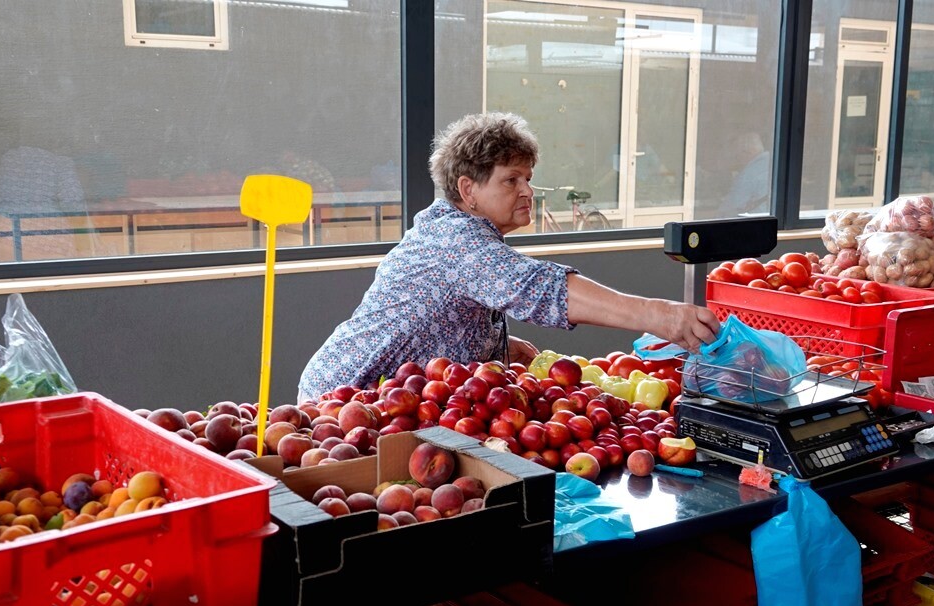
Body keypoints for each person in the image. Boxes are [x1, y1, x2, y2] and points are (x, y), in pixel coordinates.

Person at [298, 112, 719, 399]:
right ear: (468, 191)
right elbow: (541, 290)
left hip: (383, 396)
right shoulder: (457, 241)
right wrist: (662, 316)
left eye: (528, 178)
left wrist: (492, 343)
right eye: (511, 180)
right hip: (343, 402)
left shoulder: (455, 232)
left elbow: (446, 307)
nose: (527, 192)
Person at [719, 132, 771, 216]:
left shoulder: (748, 174)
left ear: (748, 152)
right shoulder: (775, 163)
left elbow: (730, 207)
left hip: (755, 221)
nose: (737, 160)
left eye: (737, 155)